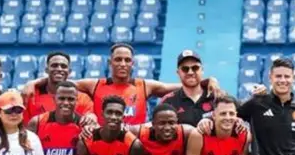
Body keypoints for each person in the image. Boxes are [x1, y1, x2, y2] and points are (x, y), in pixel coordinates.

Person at [27, 43, 182, 127]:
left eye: (127, 60)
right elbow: (60, 80)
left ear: (132, 64)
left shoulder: (145, 85)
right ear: (110, 62)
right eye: (118, 59)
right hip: (103, 146)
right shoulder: (94, 85)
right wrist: (33, 83)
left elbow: (179, 87)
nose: (122, 64)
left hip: (133, 144)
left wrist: (204, 82)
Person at [24, 52, 95, 118]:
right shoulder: (31, 95)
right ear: (46, 70)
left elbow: (90, 122)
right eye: (54, 65)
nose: (59, 69)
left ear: (69, 71)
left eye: (63, 66)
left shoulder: (83, 99)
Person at [159, 50, 219, 127]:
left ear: (202, 70)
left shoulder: (216, 96)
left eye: (195, 68)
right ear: (178, 73)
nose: (190, 72)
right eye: (185, 69)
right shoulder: (168, 102)